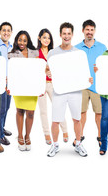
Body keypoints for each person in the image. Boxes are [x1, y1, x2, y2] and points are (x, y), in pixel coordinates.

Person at [46, 22, 92, 157]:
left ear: (72, 35)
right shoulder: (52, 53)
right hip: (59, 91)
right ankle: (55, 145)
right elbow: (48, 70)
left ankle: (78, 143)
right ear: (60, 35)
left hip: (75, 91)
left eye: (69, 33)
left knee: (76, 119)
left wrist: (88, 79)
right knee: (55, 120)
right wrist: (48, 73)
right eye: (64, 33)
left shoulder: (78, 53)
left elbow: (83, 72)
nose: (66, 36)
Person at [75, 19, 106, 147]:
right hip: (81, 86)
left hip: (98, 86)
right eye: (87, 30)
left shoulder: (102, 47)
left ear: (94, 31)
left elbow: (106, 66)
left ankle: (100, 136)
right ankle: (79, 136)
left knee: (99, 114)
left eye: (92, 30)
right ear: (83, 31)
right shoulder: (76, 48)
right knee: (81, 113)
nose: (89, 32)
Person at [7, 30, 39, 151]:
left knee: (30, 112)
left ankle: (27, 135)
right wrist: (9, 87)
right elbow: (11, 73)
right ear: (16, 40)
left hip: (32, 87)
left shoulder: (35, 53)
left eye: (24, 40)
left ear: (28, 41)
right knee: (20, 110)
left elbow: (39, 71)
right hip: (19, 87)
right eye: (20, 40)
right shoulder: (12, 54)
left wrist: (40, 87)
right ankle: (20, 135)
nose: (22, 42)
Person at [37, 28, 69, 145]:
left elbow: (60, 68)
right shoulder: (35, 53)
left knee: (58, 107)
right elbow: (34, 69)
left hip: (53, 84)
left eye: (49, 38)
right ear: (39, 38)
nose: (46, 40)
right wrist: (43, 71)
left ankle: (64, 130)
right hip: (40, 84)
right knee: (43, 111)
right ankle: (46, 133)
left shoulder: (54, 52)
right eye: (44, 37)